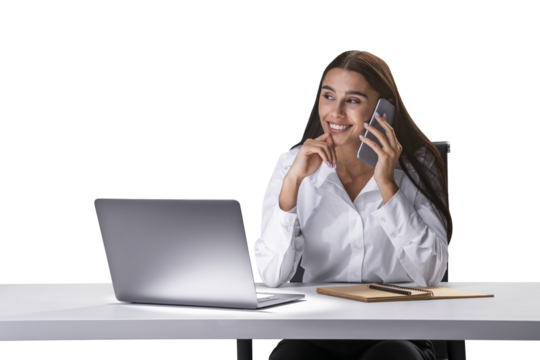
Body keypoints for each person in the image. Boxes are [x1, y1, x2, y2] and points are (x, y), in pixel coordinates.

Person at [253, 49, 452, 360]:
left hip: (396, 330)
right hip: (315, 329)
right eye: (329, 96)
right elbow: (271, 274)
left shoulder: (418, 167)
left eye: (353, 100)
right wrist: (292, 186)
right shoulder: (290, 164)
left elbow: (431, 273)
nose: (335, 113)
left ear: (383, 109)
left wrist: (388, 185)